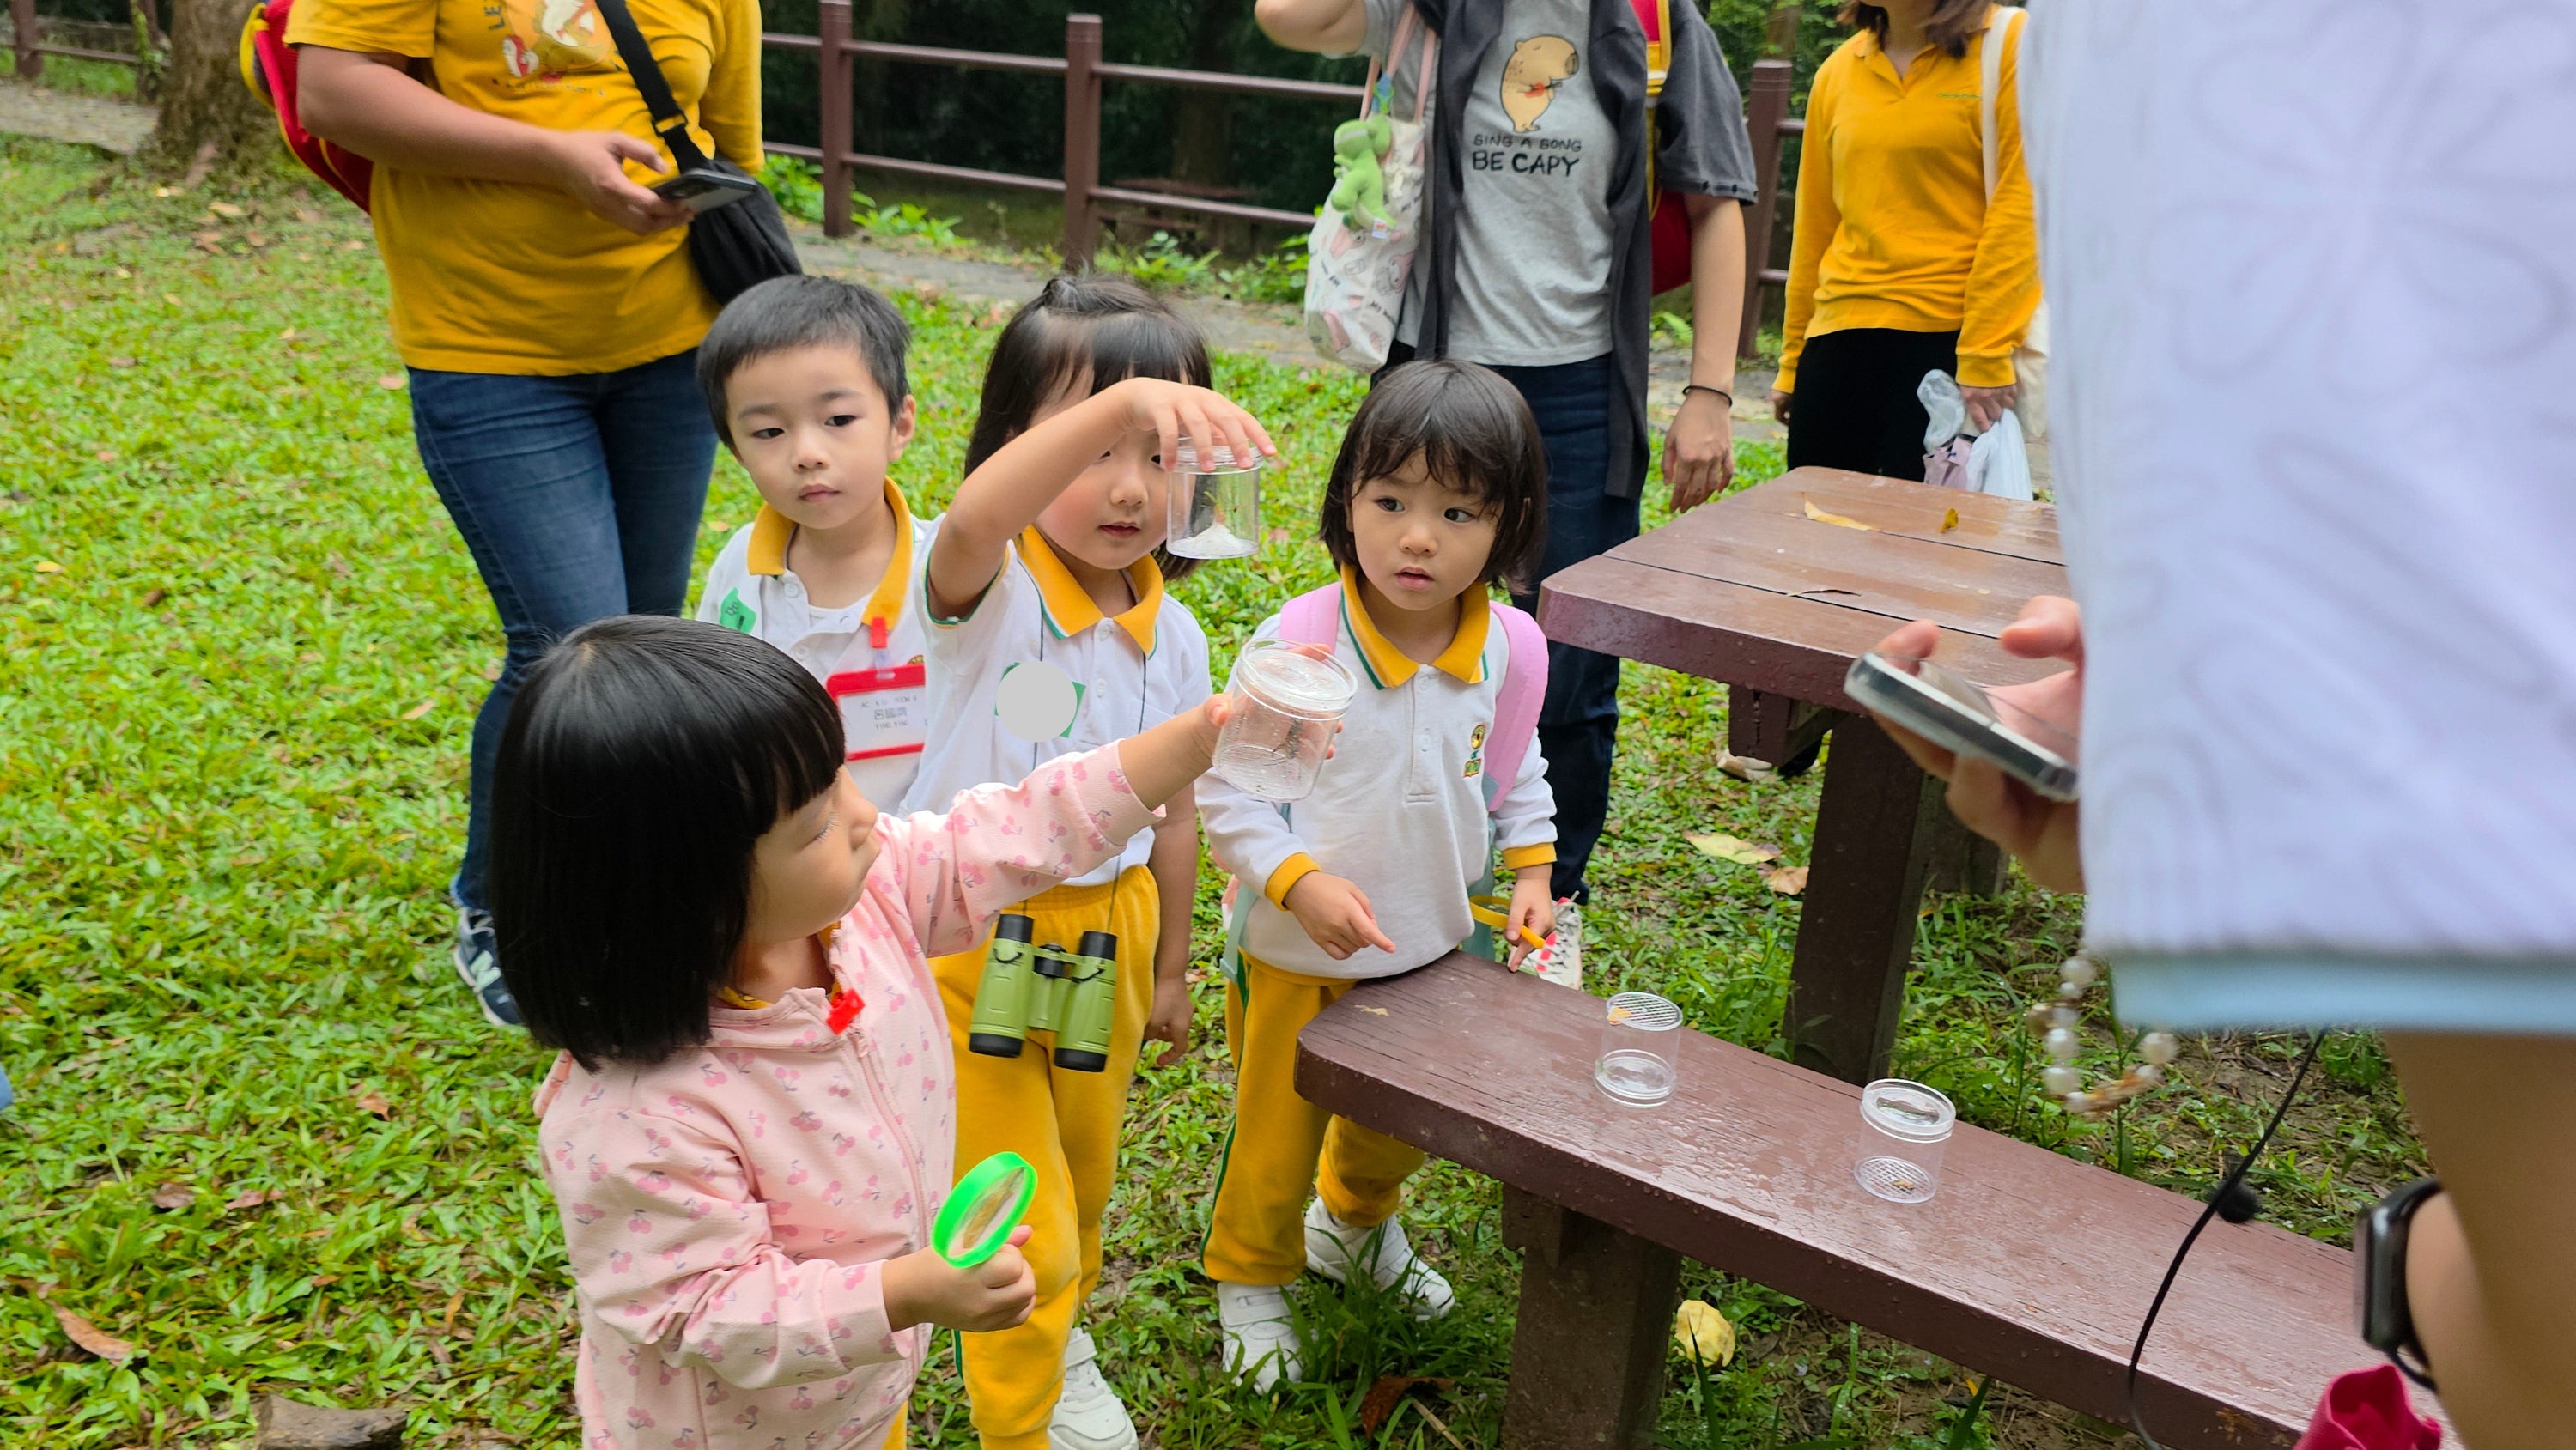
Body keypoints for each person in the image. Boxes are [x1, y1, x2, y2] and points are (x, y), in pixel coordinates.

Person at [489, 616, 1236, 1450]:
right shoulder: (639, 1115)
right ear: (686, 894)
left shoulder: (858, 904)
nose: (863, 816)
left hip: (858, 1395)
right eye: (813, 824)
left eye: (842, 778)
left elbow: (1003, 835)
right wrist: (902, 1295)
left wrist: (1192, 741)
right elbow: (705, 1309)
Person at [289, 0, 763, 1028]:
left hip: (670, 346)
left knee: (640, 641)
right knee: (565, 645)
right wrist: (552, 159)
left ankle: (621, 894)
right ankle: (500, 907)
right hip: (487, 352)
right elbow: (331, 88)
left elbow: (733, 140)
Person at [1255, 0, 1759, 907]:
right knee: (1385, 626)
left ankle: (1547, 899)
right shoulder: (1434, 9)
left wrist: (1710, 394)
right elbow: (1287, 17)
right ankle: (1378, 868)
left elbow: (1716, 204)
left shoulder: (1658, 21)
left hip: (1576, 390)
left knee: (1569, 662)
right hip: (1433, 372)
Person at [901, 276, 1270, 1450]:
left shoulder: (1180, 630)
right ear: (1017, 444)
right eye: (1093, 444)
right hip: (976, 943)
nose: (1126, 485)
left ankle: (1058, 1337)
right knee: (1018, 1213)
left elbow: (1170, 815)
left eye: (1159, 451)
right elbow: (967, 521)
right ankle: (1022, 1416)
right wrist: (1128, 402)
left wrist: (1166, 969)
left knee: (1083, 1179)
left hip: (1104, 945)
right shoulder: (986, 592)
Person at [1198, 360, 1557, 1389]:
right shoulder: (1301, 649)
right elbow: (1231, 798)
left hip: (1432, 947)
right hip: (1295, 954)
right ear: (1344, 500)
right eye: (1390, 501)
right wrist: (1296, 878)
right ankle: (1251, 1274)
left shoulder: (1509, 650)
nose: (1417, 536)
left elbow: (1516, 760)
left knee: (1393, 1131)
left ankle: (1353, 1227)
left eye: (1457, 511)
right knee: (1276, 1134)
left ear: (1508, 523)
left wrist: (1532, 870)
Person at [692, 276, 939, 806]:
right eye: (768, 432)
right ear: (735, 450)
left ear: (900, 424)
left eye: (839, 419)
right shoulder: (738, 565)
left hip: (912, 867)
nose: (807, 452)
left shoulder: (946, 578)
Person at [1770, 0, 2038, 481]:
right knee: (1815, 545)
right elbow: (1815, 228)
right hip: (1837, 343)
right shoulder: (1839, 69)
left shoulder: (2013, 43)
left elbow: (2023, 207)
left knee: (1931, 548)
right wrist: (1793, 362)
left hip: (1950, 351)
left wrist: (1985, 351)